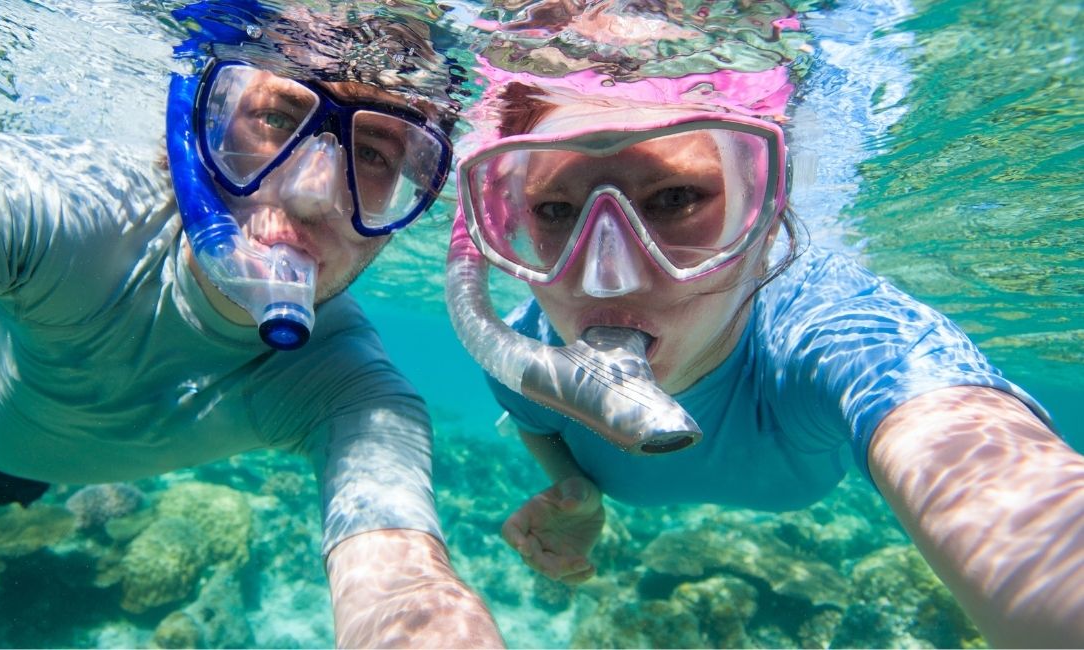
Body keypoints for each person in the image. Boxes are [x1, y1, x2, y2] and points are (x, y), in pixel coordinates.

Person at [0, 2, 503, 646]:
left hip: (11, 466)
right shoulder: (44, 204)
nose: (311, 194)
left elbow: (402, 587)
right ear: (193, 120)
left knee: (9, 491)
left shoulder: (352, 390)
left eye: (374, 154)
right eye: (275, 117)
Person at [445, 1, 1084, 646]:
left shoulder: (832, 330)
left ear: (767, 214)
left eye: (674, 199)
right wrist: (579, 496)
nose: (607, 277)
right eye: (555, 209)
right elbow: (538, 425)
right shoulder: (522, 349)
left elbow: (977, 459)